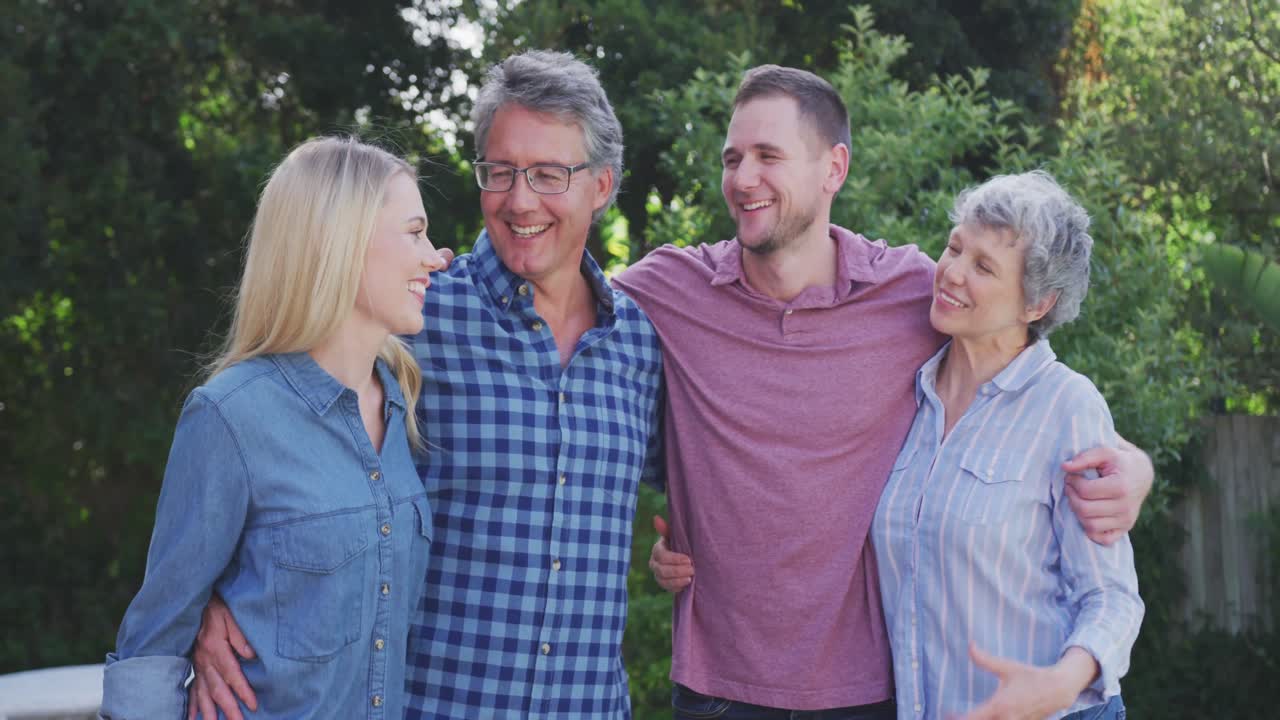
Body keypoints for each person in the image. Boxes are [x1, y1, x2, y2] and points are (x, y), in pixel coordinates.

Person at [626, 66, 1153, 720]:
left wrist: (1136, 467)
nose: (953, 274)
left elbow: (1039, 398)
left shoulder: (907, 299)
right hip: (734, 693)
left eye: (768, 156)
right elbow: (565, 305)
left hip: (903, 701)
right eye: (733, 157)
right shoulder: (674, 289)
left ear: (833, 168)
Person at [187, 51, 665, 720]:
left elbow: (702, 492)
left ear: (603, 184)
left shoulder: (640, 343)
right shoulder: (410, 313)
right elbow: (264, 446)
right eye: (500, 172)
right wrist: (210, 602)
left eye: (548, 175)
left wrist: (686, 545)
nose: (520, 199)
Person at [101, 136, 446, 718]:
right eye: (414, 233)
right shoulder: (231, 416)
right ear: (343, 242)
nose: (434, 255)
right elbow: (153, 642)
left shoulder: (400, 404)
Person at [871, 171, 1142, 720]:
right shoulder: (905, 394)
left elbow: (1112, 597)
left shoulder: (1065, 406)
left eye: (983, 266)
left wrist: (1061, 682)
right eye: (954, 248)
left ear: (1037, 304)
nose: (950, 273)